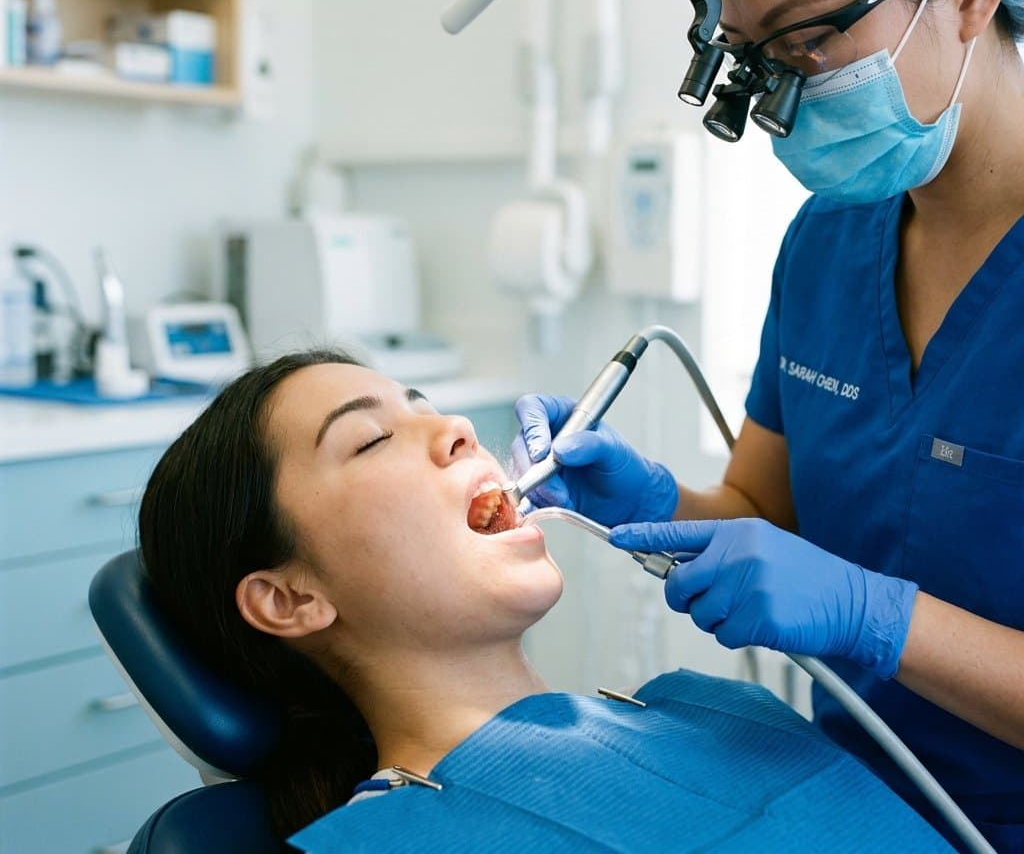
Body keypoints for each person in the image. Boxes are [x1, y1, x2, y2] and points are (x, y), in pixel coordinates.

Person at [513, 0, 1024, 850]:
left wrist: (875, 617)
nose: (784, 101)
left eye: (806, 40)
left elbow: (847, 598)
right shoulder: (829, 241)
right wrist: (654, 498)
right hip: (849, 799)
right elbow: (761, 506)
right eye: (755, 59)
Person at [138, 350, 951, 852]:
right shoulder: (381, 841)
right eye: (373, 437)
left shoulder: (715, 710)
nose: (457, 426)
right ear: (288, 599)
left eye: (427, 404)